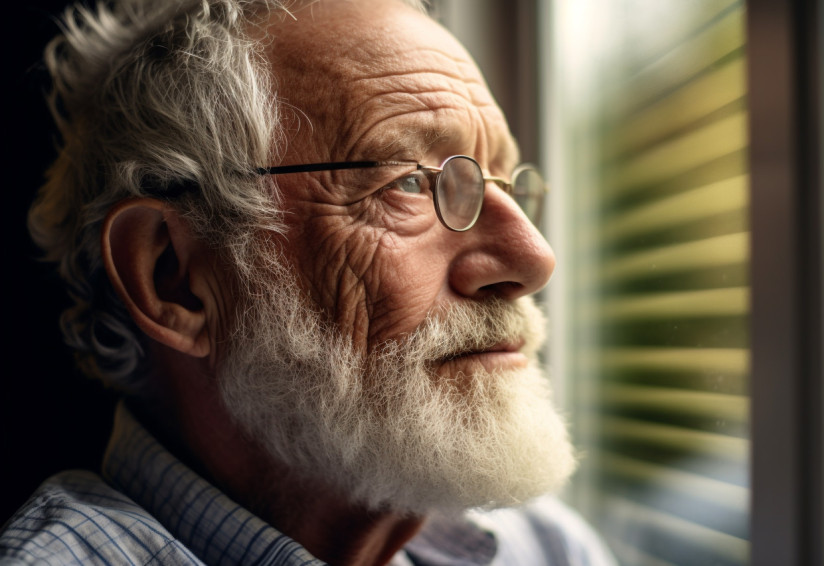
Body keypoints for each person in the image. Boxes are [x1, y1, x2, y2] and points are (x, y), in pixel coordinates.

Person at [0, 0, 617, 564]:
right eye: (408, 183)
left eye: (506, 185)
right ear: (174, 279)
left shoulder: (546, 546)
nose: (533, 257)